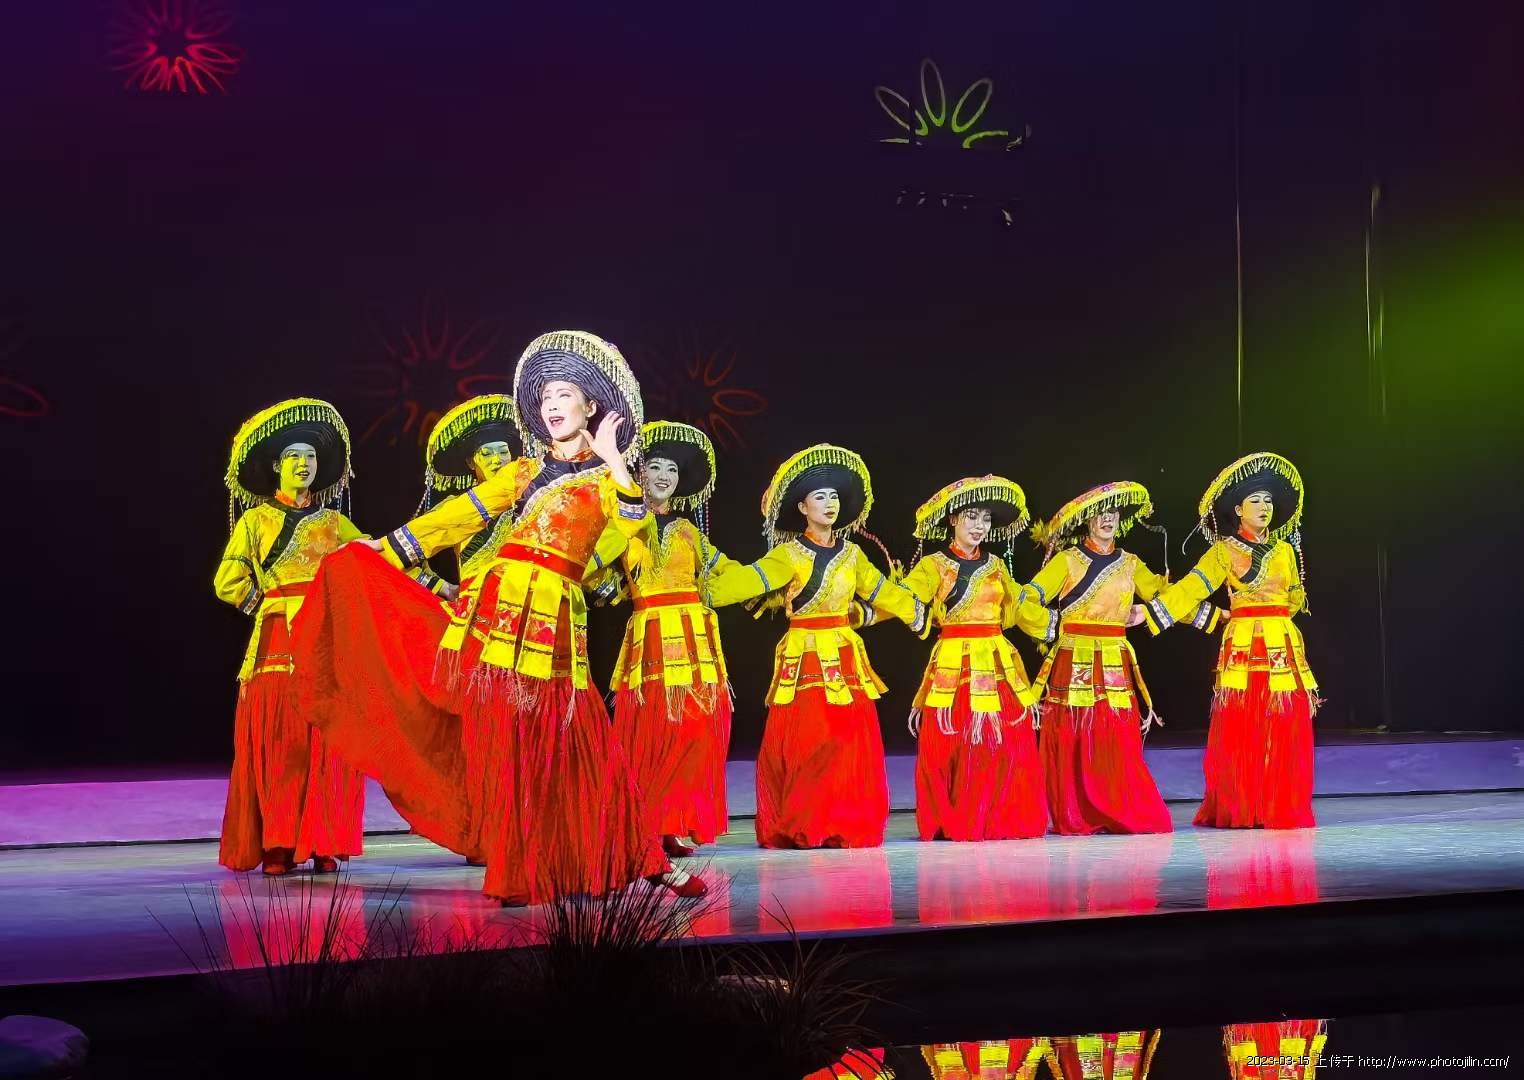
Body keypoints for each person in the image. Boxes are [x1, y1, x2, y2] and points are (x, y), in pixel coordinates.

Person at [290, 330, 702, 904]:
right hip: (497, 613)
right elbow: (457, 517)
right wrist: (383, 550)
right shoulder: (523, 472)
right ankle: (522, 864)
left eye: (564, 394)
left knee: (578, 741)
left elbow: (635, 526)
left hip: (554, 618)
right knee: (505, 742)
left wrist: (615, 461)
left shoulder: (610, 481)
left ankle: (634, 856)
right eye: (546, 397)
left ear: (590, 406)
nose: (551, 405)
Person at [707, 444, 927, 849]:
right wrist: (704, 591)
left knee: (846, 741)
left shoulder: (853, 555)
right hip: (805, 653)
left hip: (843, 652)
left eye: (834, 497)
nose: (829, 504)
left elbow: (881, 590)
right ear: (803, 508)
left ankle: (842, 820)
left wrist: (914, 610)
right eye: (820, 497)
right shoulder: (789, 555)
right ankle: (807, 821)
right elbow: (752, 579)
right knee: (811, 742)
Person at [215, 398, 366, 875]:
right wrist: (268, 607)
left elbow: (376, 561)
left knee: (327, 741)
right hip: (277, 642)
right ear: (277, 466)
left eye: (311, 457)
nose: (304, 464)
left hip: (324, 639)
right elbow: (227, 580)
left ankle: (323, 840)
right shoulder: (255, 521)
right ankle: (278, 843)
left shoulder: (334, 524)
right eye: (294, 457)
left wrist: (439, 588)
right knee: (283, 743)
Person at [1144, 451, 1318, 829]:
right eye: (1255, 500)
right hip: (1244, 646)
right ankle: (1243, 805)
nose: (1264, 507)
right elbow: (1189, 589)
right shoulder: (1224, 551)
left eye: (1268, 500)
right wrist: (1153, 612)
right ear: (1238, 510)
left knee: (1285, 725)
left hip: (1282, 644)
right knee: (1243, 728)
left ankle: (1279, 805)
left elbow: (1294, 598)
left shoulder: (1285, 551)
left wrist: (1277, 617)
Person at [593, 421, 741, 857]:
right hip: (651, 639)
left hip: (695, 641)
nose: (663, 476)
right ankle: (645, 825)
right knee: (653, 733)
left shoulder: (689, 530)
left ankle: (674, 822)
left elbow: (725, 571)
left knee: (693, 732)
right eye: (655, 466)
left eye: (672, 470)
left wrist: (775, 583)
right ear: (638, 472)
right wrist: (606, 586)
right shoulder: (623, 522)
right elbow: (592, 564)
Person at [896, 475, 1049, 841]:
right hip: (955, 663)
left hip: (995, 661)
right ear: (953, 520)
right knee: (955, 743)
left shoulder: (996, 566)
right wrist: (874, 609)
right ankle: (957, 815)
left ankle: (998, 816)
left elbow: (1018, 609)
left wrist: (1057, 624)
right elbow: (904, 597)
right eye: (971, 517)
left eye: (986, 519)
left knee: (1002, 743)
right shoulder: (933, 566)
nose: (980, 526)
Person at [1017, 482, 1174, 835]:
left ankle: (1118, 806)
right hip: (1075, 656)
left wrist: (1148, 613)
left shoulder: (1131, 564)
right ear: (1088, 521)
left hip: (1115, 658)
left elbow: (1165, 595)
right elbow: (1027, 598)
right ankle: (1076, 811)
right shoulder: (1067, 561)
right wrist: (1054, 624)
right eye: (1100, 513)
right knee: (1076, 735)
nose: (1107, 519)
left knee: (1116, 737)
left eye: (1113, 513)